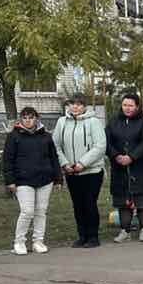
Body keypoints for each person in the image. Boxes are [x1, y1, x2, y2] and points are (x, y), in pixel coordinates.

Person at [3, 104, 63, 255]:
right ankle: (19, 242)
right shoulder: (14, 136)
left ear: (37, 118)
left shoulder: (46, 136)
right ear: (21, 119)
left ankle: (38, 241)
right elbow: (8, 160)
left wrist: (58, 179)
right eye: (25, 118)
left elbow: (54, 158)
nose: (28, 120)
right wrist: (10, 180)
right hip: (23, 180)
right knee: (27, 211)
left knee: (41, 211)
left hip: (45, 179)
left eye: (31, 117)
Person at [53, 93, 107, 249]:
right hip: (71, 171)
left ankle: (93, 236)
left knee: (89, 203)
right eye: (72, 104)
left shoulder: (94, 122)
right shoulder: (62, 122)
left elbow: (100, 146)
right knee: (77, 205)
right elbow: (55, 145)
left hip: (92, 171)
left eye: (79, 104)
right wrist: (64, 164)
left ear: (84, 106)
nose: (75, 107)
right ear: (68, 106)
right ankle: (82, 235)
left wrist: (83, 163)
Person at [106, 91, 143, 243]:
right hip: (119, 166)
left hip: (140, 167)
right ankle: (125, 231)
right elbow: (106, 141)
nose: (127, 108)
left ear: (137, 106)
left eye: (131, 105)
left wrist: (132, 157)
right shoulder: (114, 122)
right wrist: (116, 156)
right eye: (125, 105)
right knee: (123, 201)